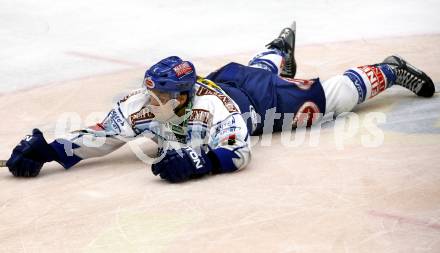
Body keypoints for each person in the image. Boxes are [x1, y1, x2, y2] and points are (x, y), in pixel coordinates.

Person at [6, 22, 435, 182]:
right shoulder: (142, 104)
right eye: (150, 89)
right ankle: (277, 49)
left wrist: (201, 163)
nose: (150, 99)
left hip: (260, 101)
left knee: (329, 99)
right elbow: (100, 136)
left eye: (161, 94)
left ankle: (390, 69)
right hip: (229, 77)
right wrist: (49, 151)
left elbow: (238, 151)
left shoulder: (217, 111)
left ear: (184, 96)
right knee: (257, 67)